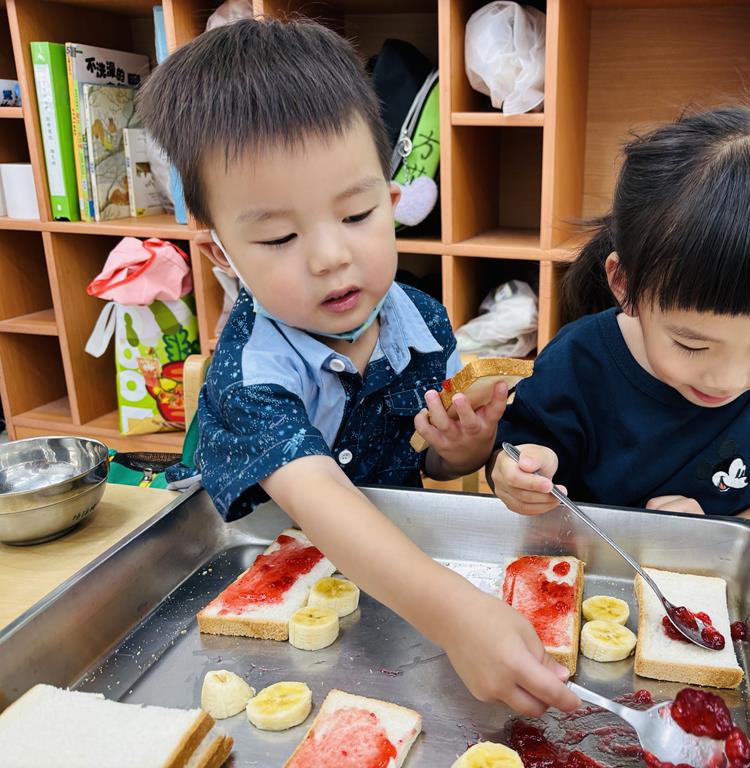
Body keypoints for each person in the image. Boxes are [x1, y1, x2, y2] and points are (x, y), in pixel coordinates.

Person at [140, 18, 578, 716]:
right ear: (223, 254)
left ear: (393, 202)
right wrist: (456, 615)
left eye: (355, 215)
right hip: (257, 572)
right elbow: (317, 497)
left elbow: (429, 467)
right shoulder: (250, 367)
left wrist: (463, 449)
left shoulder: (424, 324)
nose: (330, 257)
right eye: (279, 236)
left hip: (388, 586)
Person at [490, 105, 750, 547]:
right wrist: (520, 474)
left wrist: (713, 539)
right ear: (624, 284)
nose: (727, 380)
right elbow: (517, 454)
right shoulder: (577, 362)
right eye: (692, 345)